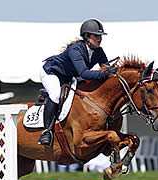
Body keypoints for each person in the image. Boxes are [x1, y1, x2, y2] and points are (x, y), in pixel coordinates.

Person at [38, 18, 117, 147]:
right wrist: (104, 73)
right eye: (96, 36)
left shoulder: (99, 51)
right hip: (52, 72)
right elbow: (84, 73)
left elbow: (105, 69)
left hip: (69, 75)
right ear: (86, 36)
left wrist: (113, 71)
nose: (99, 39)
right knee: (55, 95)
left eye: (100, 36)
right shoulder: (76, 50)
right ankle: (46, 132)